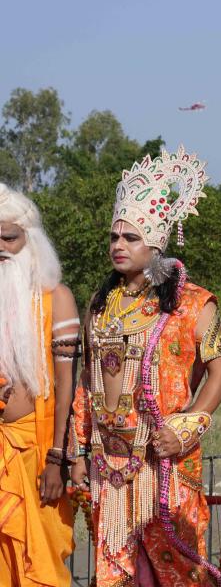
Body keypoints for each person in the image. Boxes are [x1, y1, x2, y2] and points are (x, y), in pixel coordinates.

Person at [70, 146, 221, 586]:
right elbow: (88, 382)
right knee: (114, 574)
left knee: (177, 574)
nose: (118, 246)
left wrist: (187, 426)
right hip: (111, 468)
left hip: (163, 463)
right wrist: (79, 451)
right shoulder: (101, 305)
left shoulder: (194, 303)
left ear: (157, 242)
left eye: (131, 238)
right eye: (113, 237)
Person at [0, 183, 76, 586]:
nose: (0, 247)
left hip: (36, 455)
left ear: (31, 242)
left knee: (38, 568)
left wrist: (56, 459)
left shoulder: (56, 299)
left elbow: (66, 385)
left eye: (8, 237)